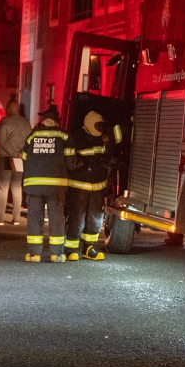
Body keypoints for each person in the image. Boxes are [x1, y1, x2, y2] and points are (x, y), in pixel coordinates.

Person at [21, 104, 75, 263]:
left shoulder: (32, 136)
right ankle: (56, 254)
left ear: (44, 121)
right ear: (57, 121)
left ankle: (34, 254)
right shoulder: (64, 136)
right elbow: (70, 162)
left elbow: (24, 157)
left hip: (34, 184)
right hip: (55, 186)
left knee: (34, 218)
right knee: (56, 218)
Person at [64, 110, 113, 261]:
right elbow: (69, 161)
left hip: (97, 187)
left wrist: (107, 162)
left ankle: (89, 247)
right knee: (77, 217)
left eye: (101, 126)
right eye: (97, 125)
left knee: (95, 218)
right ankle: (71, 248)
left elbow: (105, 156)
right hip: (79, 186)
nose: (100, 128)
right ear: (90, 124)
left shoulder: (103, 139)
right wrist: (81, 165)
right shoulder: (75, 137)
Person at [0, 100, 31, 226]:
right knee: (17, 187)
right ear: (18, 109)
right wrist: (20, 153)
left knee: (3, 188)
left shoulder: (4, 122)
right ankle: (16, 218)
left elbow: (2, 141)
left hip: (6, 158)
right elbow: (29, 141)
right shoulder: (25, 123)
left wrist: (13, 152)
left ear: (8, 109)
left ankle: (0, 218)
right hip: (19, 159)